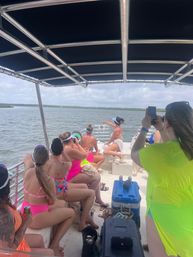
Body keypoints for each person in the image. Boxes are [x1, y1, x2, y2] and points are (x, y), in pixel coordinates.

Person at [131, 101, 193, 257]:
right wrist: (161, 128)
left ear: (168, 122)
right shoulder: (186, 150)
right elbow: (174, 147)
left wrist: (145, 128)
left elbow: (135, 153)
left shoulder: (158, 153)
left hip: (161, 218)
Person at [22, 145, 75, 256]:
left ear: (34, 159)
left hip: (25, 213)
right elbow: (52, 202)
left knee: (64, 204)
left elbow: (27, 161)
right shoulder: (47, 180)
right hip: (36, 218)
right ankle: (54, 245)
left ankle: (53, 239)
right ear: (47, 160)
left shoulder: (28, 172)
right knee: (71, 213)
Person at [0, 163, 54, 256]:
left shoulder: (5, 205)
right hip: (10, 252)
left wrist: (21, 218)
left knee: (39, 239)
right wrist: (25, 223)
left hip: (11, 238)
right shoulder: (4, 215)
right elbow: (8, 250)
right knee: (50, 253)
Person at [49, 138, 98, 231]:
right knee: (91, 193)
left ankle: (86, 217)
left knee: (84, 186)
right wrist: (63, 151)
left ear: (51, 150)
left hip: (56, 187)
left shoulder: (48, 162)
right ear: (61, 150)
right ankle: (82, 224)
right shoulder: (63, 164)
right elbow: (69, 162)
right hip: (60, 192)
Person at [59, 132, 108, 208]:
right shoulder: (69, 149)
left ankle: (98, 199)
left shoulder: (65, 147)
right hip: (70, 176)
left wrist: (76, 145)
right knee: (97, 177)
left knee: (96, 176)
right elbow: (85, 155)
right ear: (71, 139)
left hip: (73, 172)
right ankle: (87, 199)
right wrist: (78, 144)